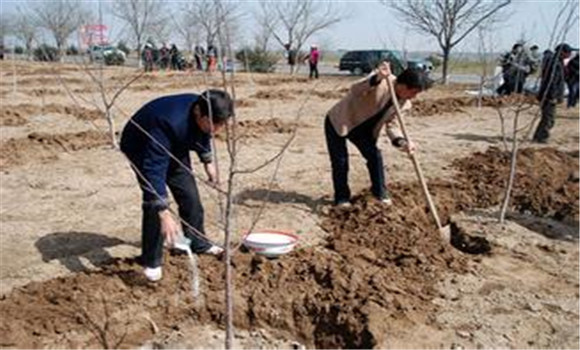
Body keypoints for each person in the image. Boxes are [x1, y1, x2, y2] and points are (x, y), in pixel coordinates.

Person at [120, 90, 234, 281]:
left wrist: (207, 162)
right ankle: (151, 261)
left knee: (189, 195)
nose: (217, 130)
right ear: (198, 113)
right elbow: (153, 171)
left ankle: (198, 243)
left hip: (175, 144)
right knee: (154, 205)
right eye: (214, 124)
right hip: (142, 146)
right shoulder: (168, 122)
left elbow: (204, 132)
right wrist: (163, 212)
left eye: (222, 125)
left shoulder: (206, 111)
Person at [324, 61, 432, 207]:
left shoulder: (405, 104)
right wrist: (376, 78)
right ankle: (342, 198)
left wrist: (402, 142)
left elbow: (392, 125)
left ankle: (380, 194)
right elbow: (355, 90)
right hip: (341, 121)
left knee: (375, 157)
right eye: (414, 92)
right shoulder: (382, 81)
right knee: (340, 162)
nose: (414, 96)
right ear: (403, 85)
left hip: (364, 131)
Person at [533, 43, 572, 143]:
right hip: (548, 96)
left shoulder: (558, 62)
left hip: (549, 95)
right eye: (568, 52)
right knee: (549, 118)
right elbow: (552, 81)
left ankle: (539, 136)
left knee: (548, 117)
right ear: (562, 52)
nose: (570, 54)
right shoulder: (554, 63)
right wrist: (553, 96)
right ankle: (542, 137)